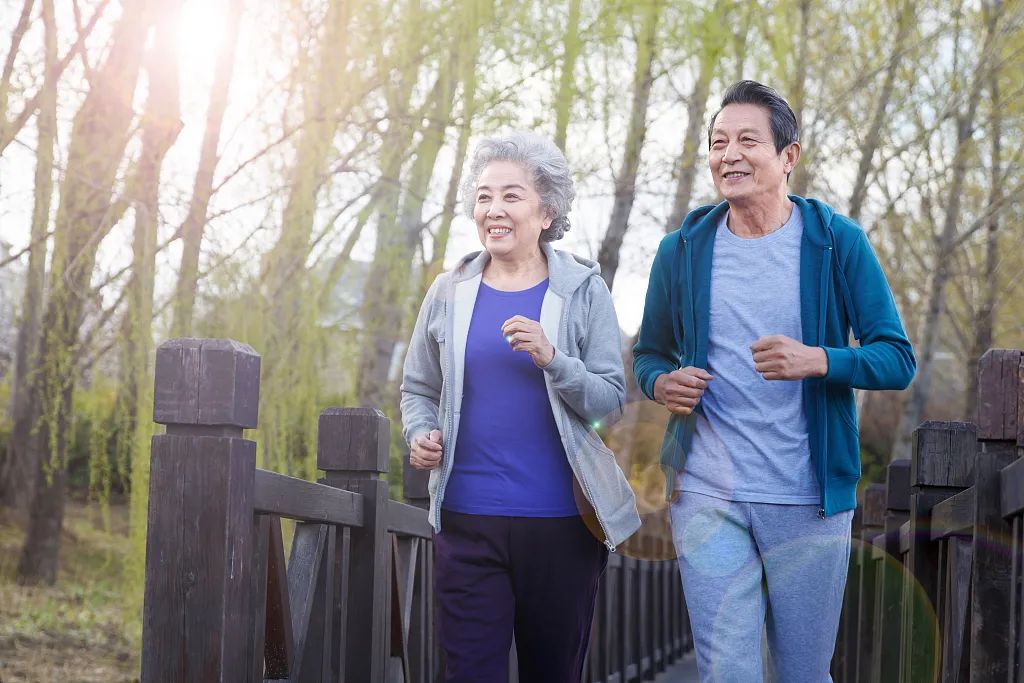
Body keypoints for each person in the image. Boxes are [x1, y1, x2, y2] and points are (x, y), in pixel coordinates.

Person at [633, 80, 916, 682]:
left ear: (788, 157)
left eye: (746, 141)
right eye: (717, 142)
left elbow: (897, 358)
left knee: (803, 671)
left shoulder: (837, 242)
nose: (728, 154)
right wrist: (662, 384)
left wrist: (821, 359)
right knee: (726, 671)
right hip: (709, 490)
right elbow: (648, 355)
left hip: (807, 498)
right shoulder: (680, 250)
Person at [401, 131, 641, 683]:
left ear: (546, 209)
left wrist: (554, 358)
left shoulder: (583, 290)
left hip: (563, 527)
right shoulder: (448, 291)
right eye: (484, 197)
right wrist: (420, 432)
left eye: (511, 195)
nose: (494, 210)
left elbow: (610, 402)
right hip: (466, 521)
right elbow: (418, 387)